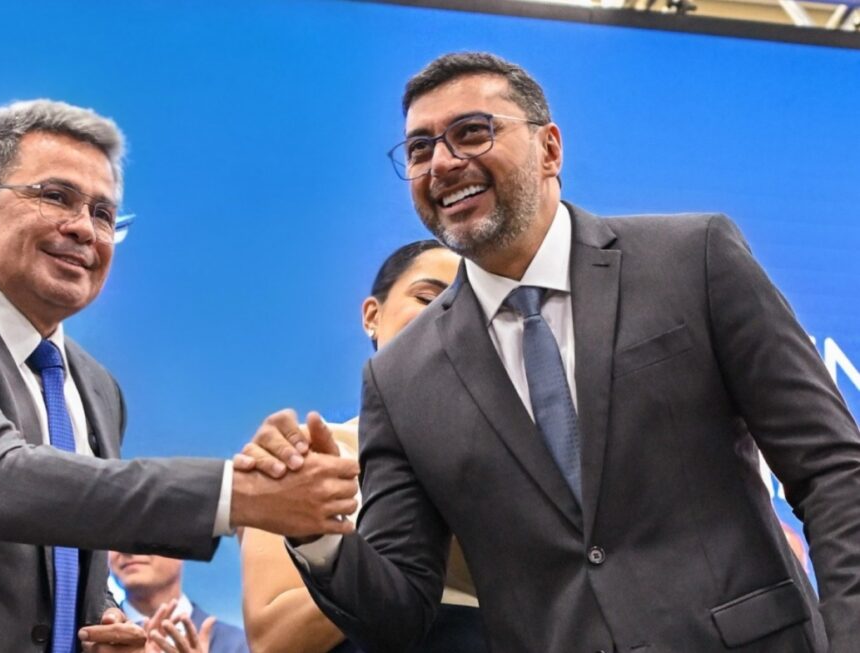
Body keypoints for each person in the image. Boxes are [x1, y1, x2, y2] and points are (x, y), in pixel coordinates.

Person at [279, 52, 860, 652]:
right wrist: (315, 534)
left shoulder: (694, 259)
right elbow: (398, 613)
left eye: (471, 132)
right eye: (420, 149)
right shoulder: (398, 379)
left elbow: (833, 471)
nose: (443, 163)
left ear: (550, 149)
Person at [0, 99, 358, 653]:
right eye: (55, 196)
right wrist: (238, 494)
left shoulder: (96, 388)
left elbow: (67, 537)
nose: (85, 228)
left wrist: (103, 624)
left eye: (104, 214)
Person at [241, 240, 488, 653]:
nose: (448, 317)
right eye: (426, 298)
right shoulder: (305, 457)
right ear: (372, 315)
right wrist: (394, 561)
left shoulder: (517, 463)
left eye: (474, 311)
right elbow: (275, 640)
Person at [109, 551, 249, 653]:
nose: (127, 549)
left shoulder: (240, 646)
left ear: (183, 543)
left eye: (146, 531)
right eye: (116, 534)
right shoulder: (98, 640)